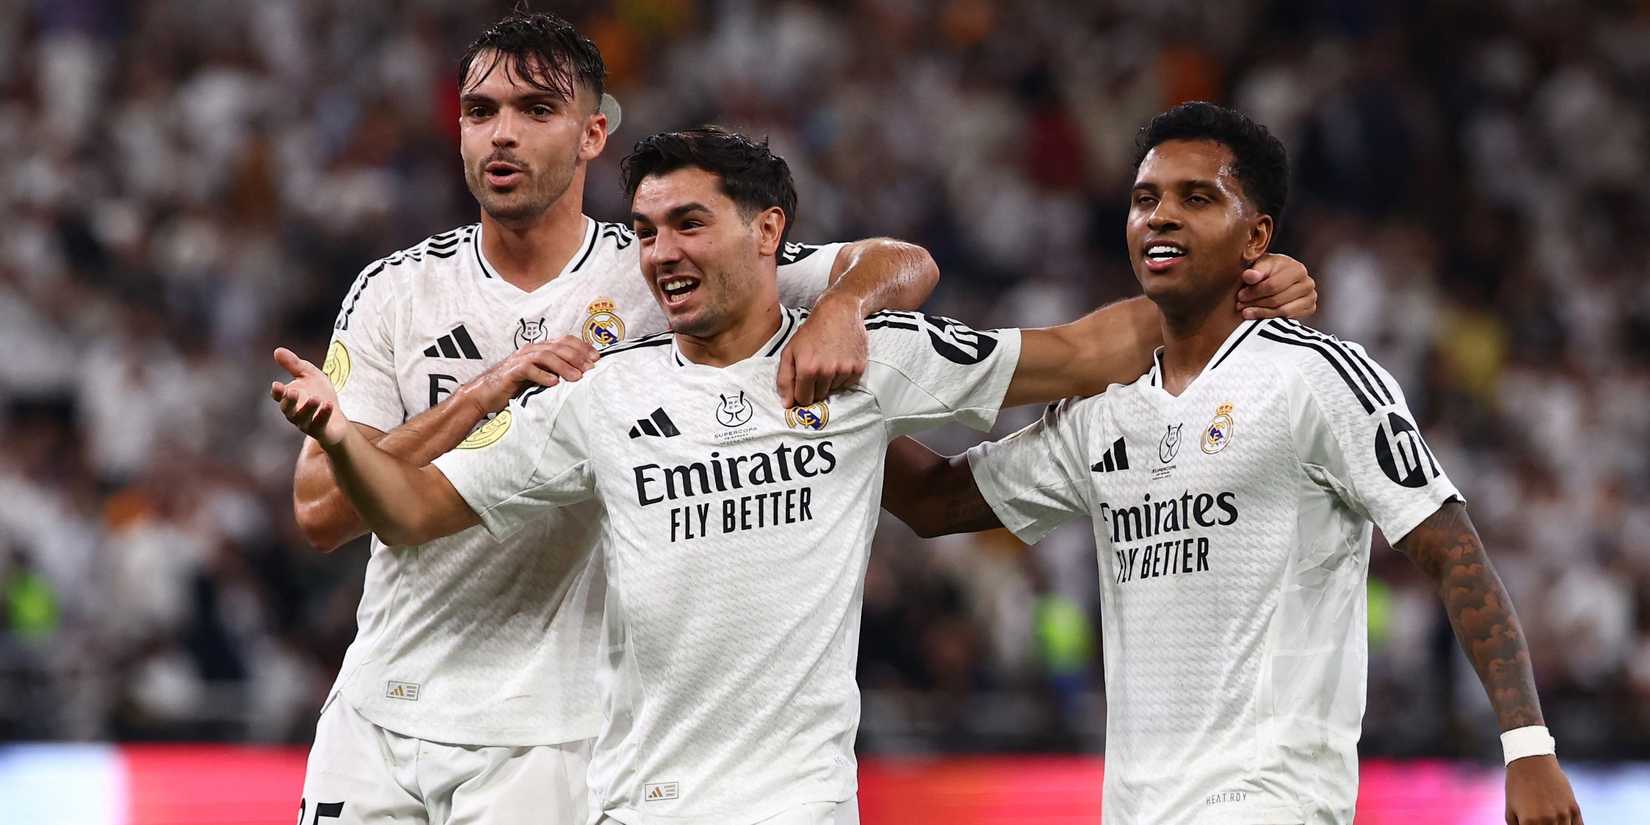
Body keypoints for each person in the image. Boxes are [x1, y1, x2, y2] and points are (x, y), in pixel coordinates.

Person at [270, 126, 1317, 825]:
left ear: (768, 231)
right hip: (637, 804)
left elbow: (1085, 351)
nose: (660, 254)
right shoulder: (603, 398)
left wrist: (1237, 284)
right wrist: (345, 437)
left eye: (689, 224)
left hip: (797, 804)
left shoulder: (868, 361)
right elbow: (411, 513)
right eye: (646, 232)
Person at [289, 11, 948, 825]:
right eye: (480, 111)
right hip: (376, 712)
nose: (502, 134)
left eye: (536, 110)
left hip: (551, 735)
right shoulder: (394, 289)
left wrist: (843, 307)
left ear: (592, 134)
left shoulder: (661, 268)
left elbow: (904, 263)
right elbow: (321, 513)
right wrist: (482, 392)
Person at [881, 102, 1583, 825]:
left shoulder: (1317, 376)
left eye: (1197, 198)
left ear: (1257, 237)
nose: (1160, 216)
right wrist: (844, 406)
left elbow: (1453, 549)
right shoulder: (1105, 413)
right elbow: (934, 502)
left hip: (1271, 801)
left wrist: (1528, 746)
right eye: (1145, 199)